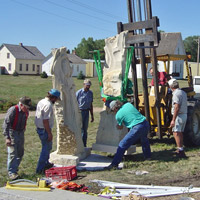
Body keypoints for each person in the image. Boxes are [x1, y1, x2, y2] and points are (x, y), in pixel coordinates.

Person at [105, 100, 151, 170]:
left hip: (137, 128)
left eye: (113, 110)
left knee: (122, 144)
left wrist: (119, 126)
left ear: (115, 108)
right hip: (145, 123)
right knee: (144, 140)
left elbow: (120, 127)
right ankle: (148, 157)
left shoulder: (118, 115)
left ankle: (114, 164)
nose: (113, 112)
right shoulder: (128, 105)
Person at [2, 96, 32, 180]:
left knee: (20, 153)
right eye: (26, 107)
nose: (27, 109)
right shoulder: (13, 110)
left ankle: (15, 169)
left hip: (21, 133)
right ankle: (11, 172)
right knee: (12, 153)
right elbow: (6, 124)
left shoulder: (26, 112)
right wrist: (7, 137)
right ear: (21, 105)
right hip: (12, 133)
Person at [35, 89, 60, 174]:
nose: (56, 101)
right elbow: (45, 121)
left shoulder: (41, 101)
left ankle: (46, 163)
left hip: (40, 128)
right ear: (53, 98)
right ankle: (40, 169)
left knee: (48, 147)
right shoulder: (48, 105)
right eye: (56, 99)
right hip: (44, 129)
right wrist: (49, 133)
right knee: (45, 149)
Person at [168, 79, 187, 158]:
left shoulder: (176, 94)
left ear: (171, 86)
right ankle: (180, 148)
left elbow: (176, 107)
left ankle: (180, 150)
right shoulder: (183, 92)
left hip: (178, 116)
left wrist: (173, 119)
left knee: (176, 132)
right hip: (184, 114)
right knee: (180, 132)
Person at [76, 79, 94, 147]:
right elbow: (74, 103)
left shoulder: (90, 93)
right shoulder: (79, 93)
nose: (88, 87)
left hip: (87, 111)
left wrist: (92, 115)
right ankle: (79, 144)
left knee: (85, 129)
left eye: (89, 85)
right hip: (80, 111)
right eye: (87, 85)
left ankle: (84, 145)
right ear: (84, 84)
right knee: (80, 129)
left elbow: (91, 104)